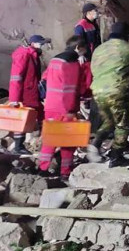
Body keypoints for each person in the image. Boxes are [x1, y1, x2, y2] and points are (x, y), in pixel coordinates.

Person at [90, 22, 129, 167]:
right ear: (127, 34)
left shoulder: (99, 49)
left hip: (98, 91)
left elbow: (93, 69)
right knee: (123, 124)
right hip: (118, 91)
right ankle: (116, 156)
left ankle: (95, 144)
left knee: (110, 120)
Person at [37, 36, 91, 179]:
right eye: (84, 49)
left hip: (50, 106)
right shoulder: (71, 63)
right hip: (65, 108)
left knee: (50, 139)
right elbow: (71, 89)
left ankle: (42, 168)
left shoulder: (55, 60)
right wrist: (71, 110)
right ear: (78, 48)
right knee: (68, 141)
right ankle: (65, 171)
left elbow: (44, 79)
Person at [8, 34, 48, 155]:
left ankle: (46, 141)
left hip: (31, 91)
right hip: (26, 93)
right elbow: (16, 77)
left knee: (39, 114)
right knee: (23, 118)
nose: (42, 45)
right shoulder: (23, 55)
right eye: (41, 43)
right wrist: (14, 99)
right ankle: (18, 146)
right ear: (33, 43)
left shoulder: (32, 54)